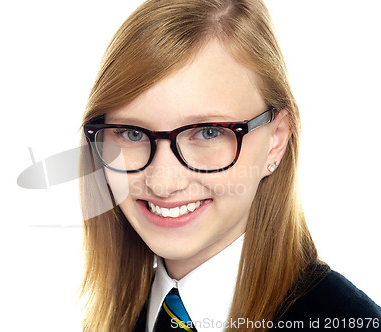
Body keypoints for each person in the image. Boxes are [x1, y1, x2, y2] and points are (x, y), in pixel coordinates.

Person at [78, 0, 381, 331]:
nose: (163, 182)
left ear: (276, 139)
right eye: (131, 132)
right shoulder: (119, 316)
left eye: (208, 132)